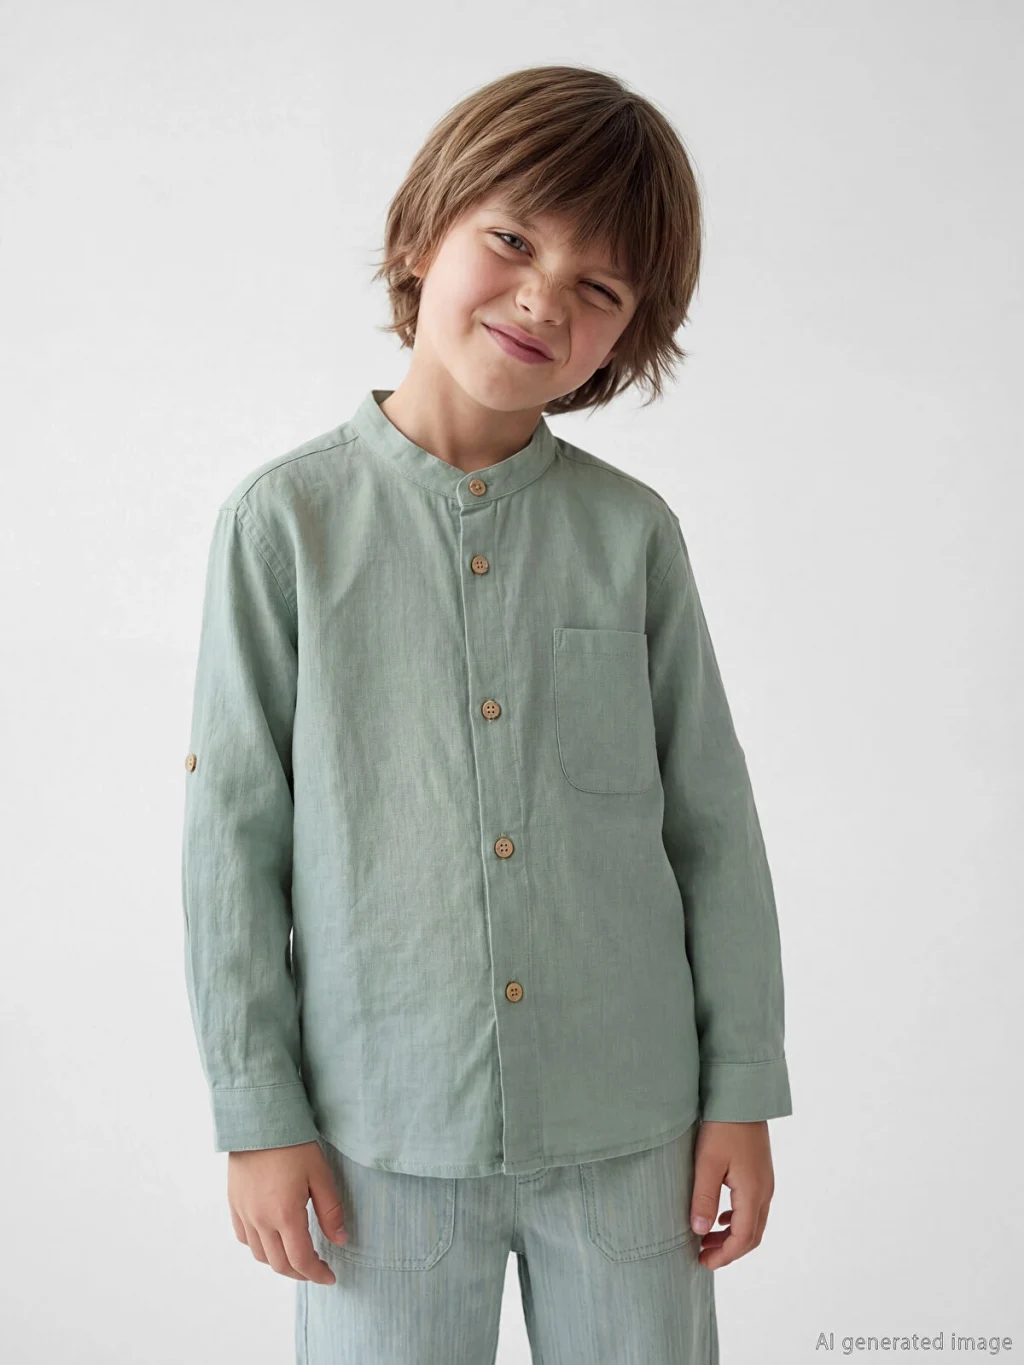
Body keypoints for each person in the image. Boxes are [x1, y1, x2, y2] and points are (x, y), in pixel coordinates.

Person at [181, 62, 792, 1365]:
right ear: (422, 234)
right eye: (513, 240)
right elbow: (230, 845)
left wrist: (741, 1091)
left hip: (634, 1131)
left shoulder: (633, 538)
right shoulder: (284, 528)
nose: (542, 298)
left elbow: (713, 827)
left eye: (598, 288)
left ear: (626, 338)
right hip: (376, 1138)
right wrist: (257, 1115)